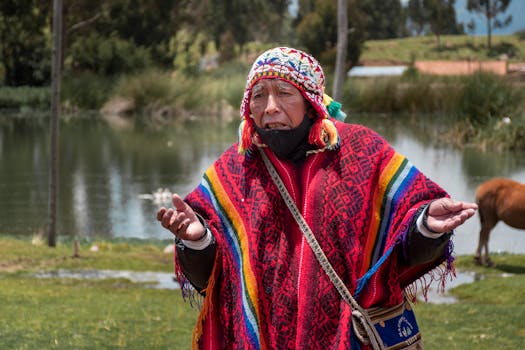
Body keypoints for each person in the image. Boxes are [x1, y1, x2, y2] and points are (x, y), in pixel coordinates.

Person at [156, 47, 477, 349]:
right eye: (258, 96)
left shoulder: (364, 152)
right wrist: (198, 241)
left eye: (283, 93)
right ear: (247, 106)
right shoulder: (234, 169)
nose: (269, 107)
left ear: (311, 100)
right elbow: (216, 275)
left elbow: (408, 221)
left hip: (351, 338)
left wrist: (427, 225)